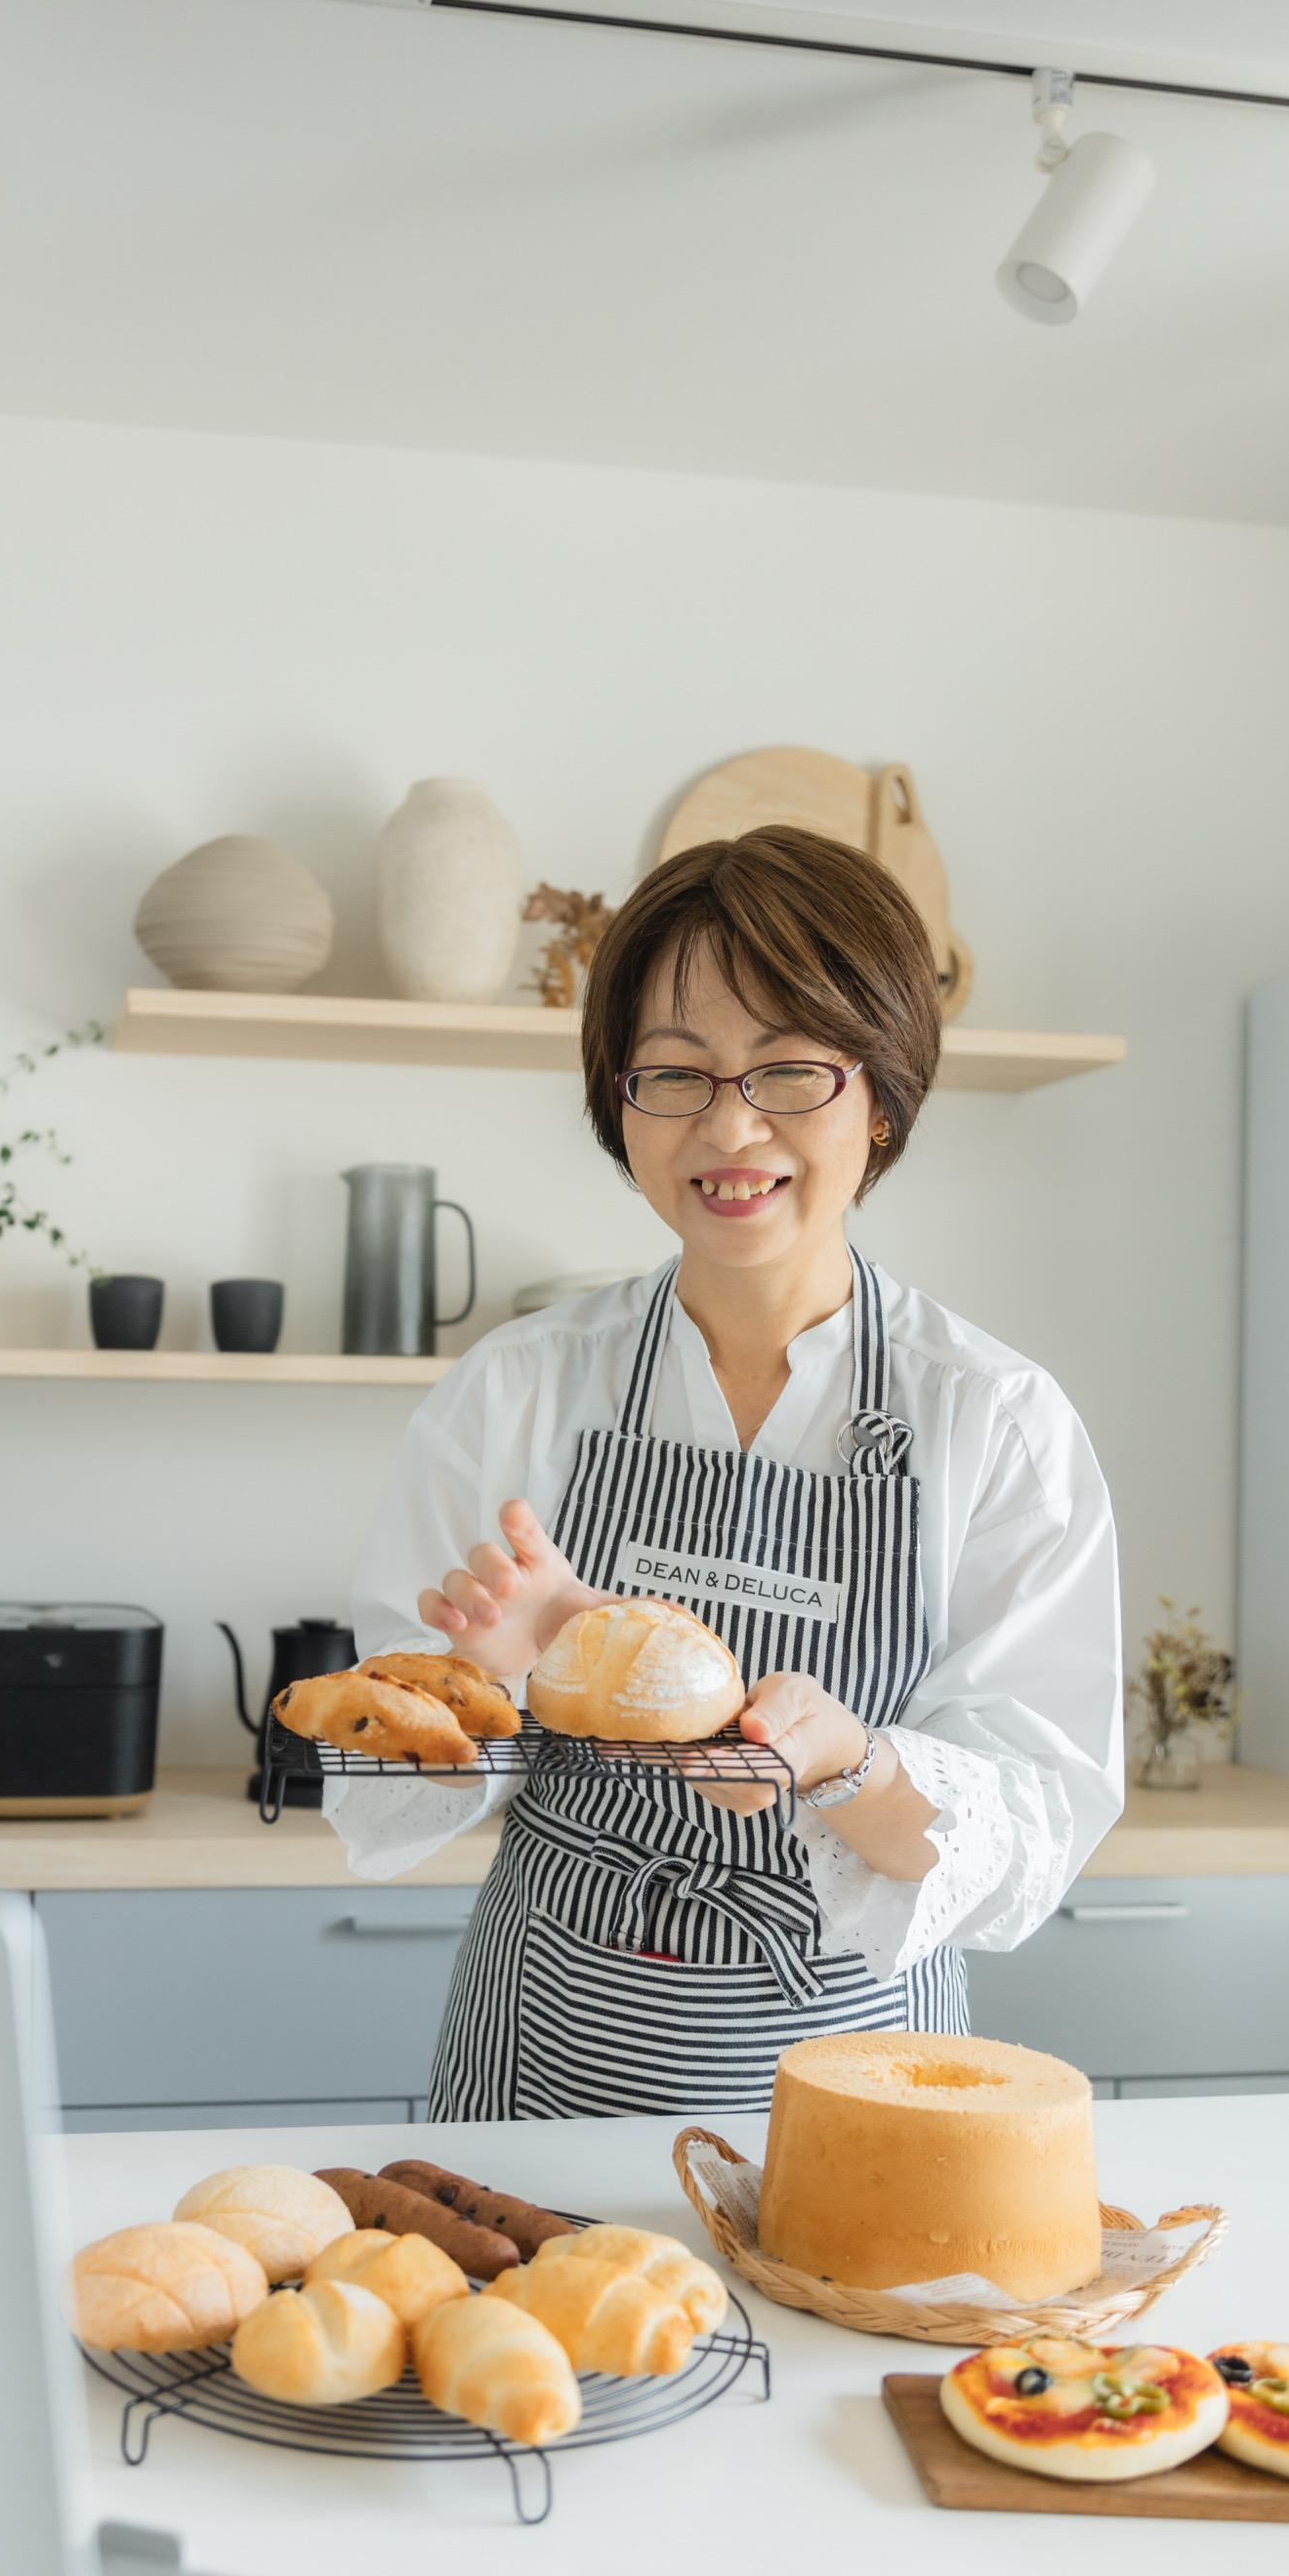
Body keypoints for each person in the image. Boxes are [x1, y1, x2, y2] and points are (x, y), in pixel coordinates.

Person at [323, 826, 1122, 2119]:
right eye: (675, 1074)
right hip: (544, 2083)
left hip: (860, 2098)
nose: (730, 1127)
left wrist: (850, 1766)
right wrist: (493, 1688)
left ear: (882, 1096)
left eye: (789, 1070)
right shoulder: (519, 1387)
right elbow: (374, 1774)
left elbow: (1031, 1832)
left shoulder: (995, 1421)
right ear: (619, 1104)